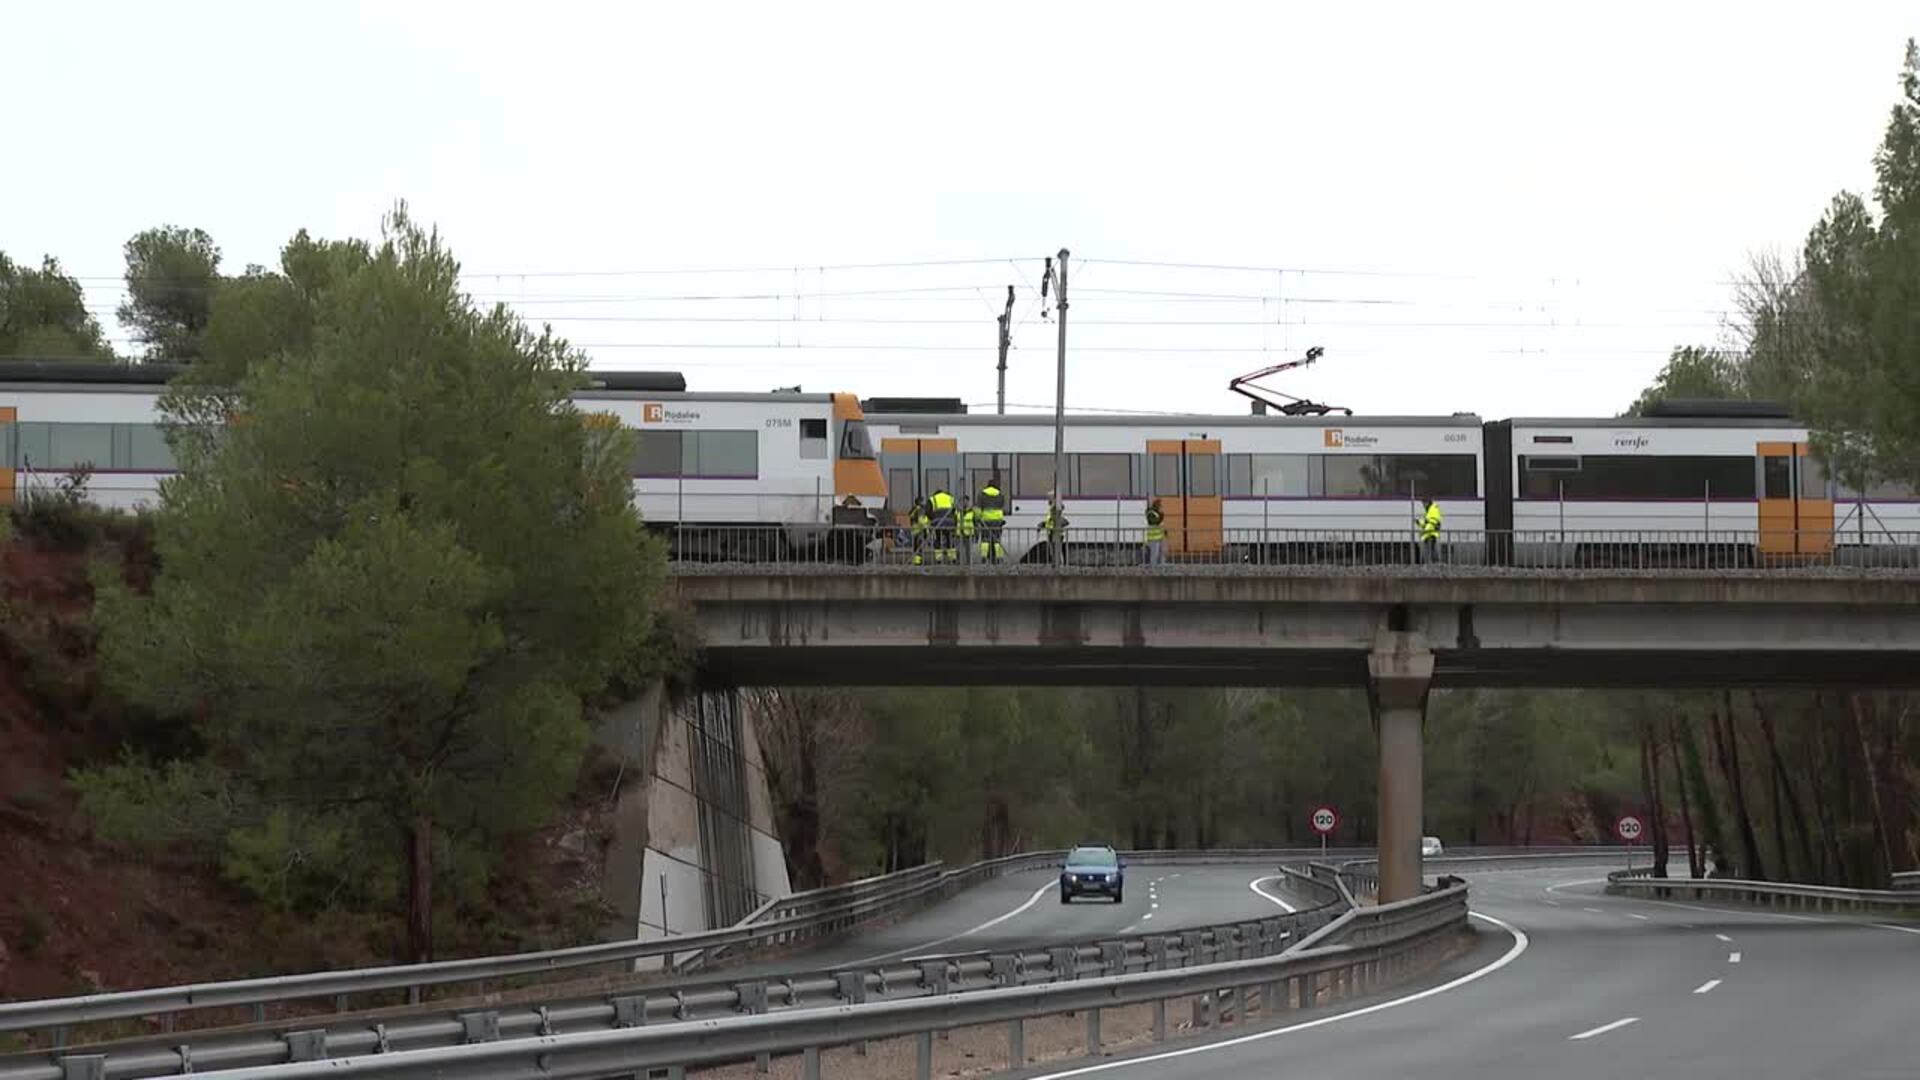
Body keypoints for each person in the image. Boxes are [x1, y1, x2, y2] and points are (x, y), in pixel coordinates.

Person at [976, 473, 1007, 564]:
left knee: (985, 539)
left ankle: (984, 557)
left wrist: (978, 518)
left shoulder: (982, 494)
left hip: (986, 520)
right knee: (997, 539)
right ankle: (999, 557)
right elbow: (1002, 506)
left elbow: (978, 508)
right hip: (997, 520)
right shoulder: (1000, 494)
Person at [929, 487, 957, 563]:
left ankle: (939, 559)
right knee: (949, 540)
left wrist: (932, 519)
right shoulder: (950, 498)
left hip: (937, 523)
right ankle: (952, 558)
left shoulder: (932, 499)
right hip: (950, 523)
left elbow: (928, 512)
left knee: (938, 539)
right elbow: (955, 511)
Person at [1041, 497, 1069, 564]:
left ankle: (1058, 564)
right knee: (1053, 551)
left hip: (1055, 533)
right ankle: (1056, 563)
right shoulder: (1051, 514)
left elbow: (1061, 508)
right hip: (1051, 533)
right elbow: (1049, 523)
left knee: (1056, 550)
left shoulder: (1055, 513)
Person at [1418, 497, 1443, 563]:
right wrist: (1419, 522)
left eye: (1424, 503)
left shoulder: (1433, 509)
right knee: (1431, 550)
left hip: (1431, 534)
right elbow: (1427, 522)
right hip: (1429, 534)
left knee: (1430, 550)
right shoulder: (1429, 510)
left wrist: (1424, 531)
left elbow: (1432, 523)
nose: (1423, 505)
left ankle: (1433, 564)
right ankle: (1433, 564)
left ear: (1427, 502)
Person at [1143, 498, 1167, 566]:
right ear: (1157, 505)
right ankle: (1153, 567)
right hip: (1153, 537)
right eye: (1160, 505)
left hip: (1160, 536)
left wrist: (1164, 531)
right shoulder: (1151, 512)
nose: (1161, 507)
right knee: (1154, 553)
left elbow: (1160, 524)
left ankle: (1161, 566)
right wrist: (1161, 516)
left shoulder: (1157, 512)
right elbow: (1153, 522)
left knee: (1162, 552)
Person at [908, 496, 929, 565]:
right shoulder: (920, 509)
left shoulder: (914, 509)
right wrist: (926, 526)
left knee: (916, 547)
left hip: (915, 530)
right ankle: (918, 561)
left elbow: (911, 518)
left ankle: (916, 560)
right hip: (920, 530)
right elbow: (921, 521)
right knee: (919, 547)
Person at [957, 495, 977, 565]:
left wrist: (976, 534)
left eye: (965, 501)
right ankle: (959, 563)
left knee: (968, 551)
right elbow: (955, 521)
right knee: (958, 550)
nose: (964, 503)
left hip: (969, 533)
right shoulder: (957, 512)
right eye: (962, 501)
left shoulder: (972, 512)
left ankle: (969, 564)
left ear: (968, 502)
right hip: (959, 533)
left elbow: (975, 523)